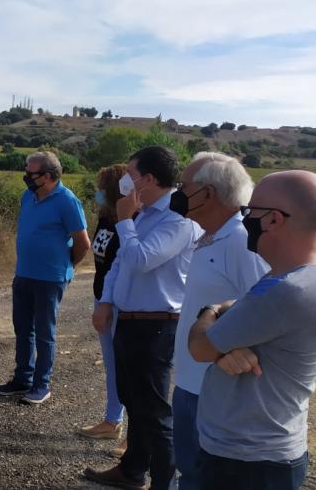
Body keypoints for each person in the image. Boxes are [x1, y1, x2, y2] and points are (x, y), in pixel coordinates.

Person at [189, 170, 316, 490]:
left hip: (245, 462)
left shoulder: (284, 291)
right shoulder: (297, 279)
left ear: (273, 220)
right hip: (268, 453)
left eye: (249, 212)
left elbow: (200, 346)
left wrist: (210, 310)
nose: (245, 220)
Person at [84, 146, 201, 490]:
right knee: (133, 399)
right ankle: (132, 470)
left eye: (131, 175)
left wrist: (123, 219)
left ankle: (164, 482)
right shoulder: (145, 213)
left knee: (154, 411)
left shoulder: (179, 220)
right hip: (129, 320)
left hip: (157, 324)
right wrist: (105, 301)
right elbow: (120, 262)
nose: (124, 181)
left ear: (148, 179)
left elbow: (141, 259)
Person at [167, 153, 268, 489]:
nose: (178, 193)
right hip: (191, 383)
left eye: (184, 186)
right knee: (190, 473)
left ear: (207, 193)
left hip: (214, 393)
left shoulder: (240, 241)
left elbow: (263, 308)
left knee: (204, 478)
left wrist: (230, 350)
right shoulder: (208, 236)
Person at [0, 151, 90, 404]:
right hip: (24, 273)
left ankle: (41, 384)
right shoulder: (28, 196)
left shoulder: (67, 201)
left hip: (50, 278)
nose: (26, 176)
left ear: (47, 176)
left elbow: (82, 243)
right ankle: (22, 379)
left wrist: (65, 266)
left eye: (30, 172)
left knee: (45, 333)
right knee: (23, 329)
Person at [79, 164, 128, 456]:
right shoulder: (106, 219)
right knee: (112, 367)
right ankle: (112, 421)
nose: (97, 192)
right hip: (103, 299)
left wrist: (109, 303)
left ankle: (133, 435)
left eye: (101, 187)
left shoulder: (127, 223)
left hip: (120, 305)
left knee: (128, 370)